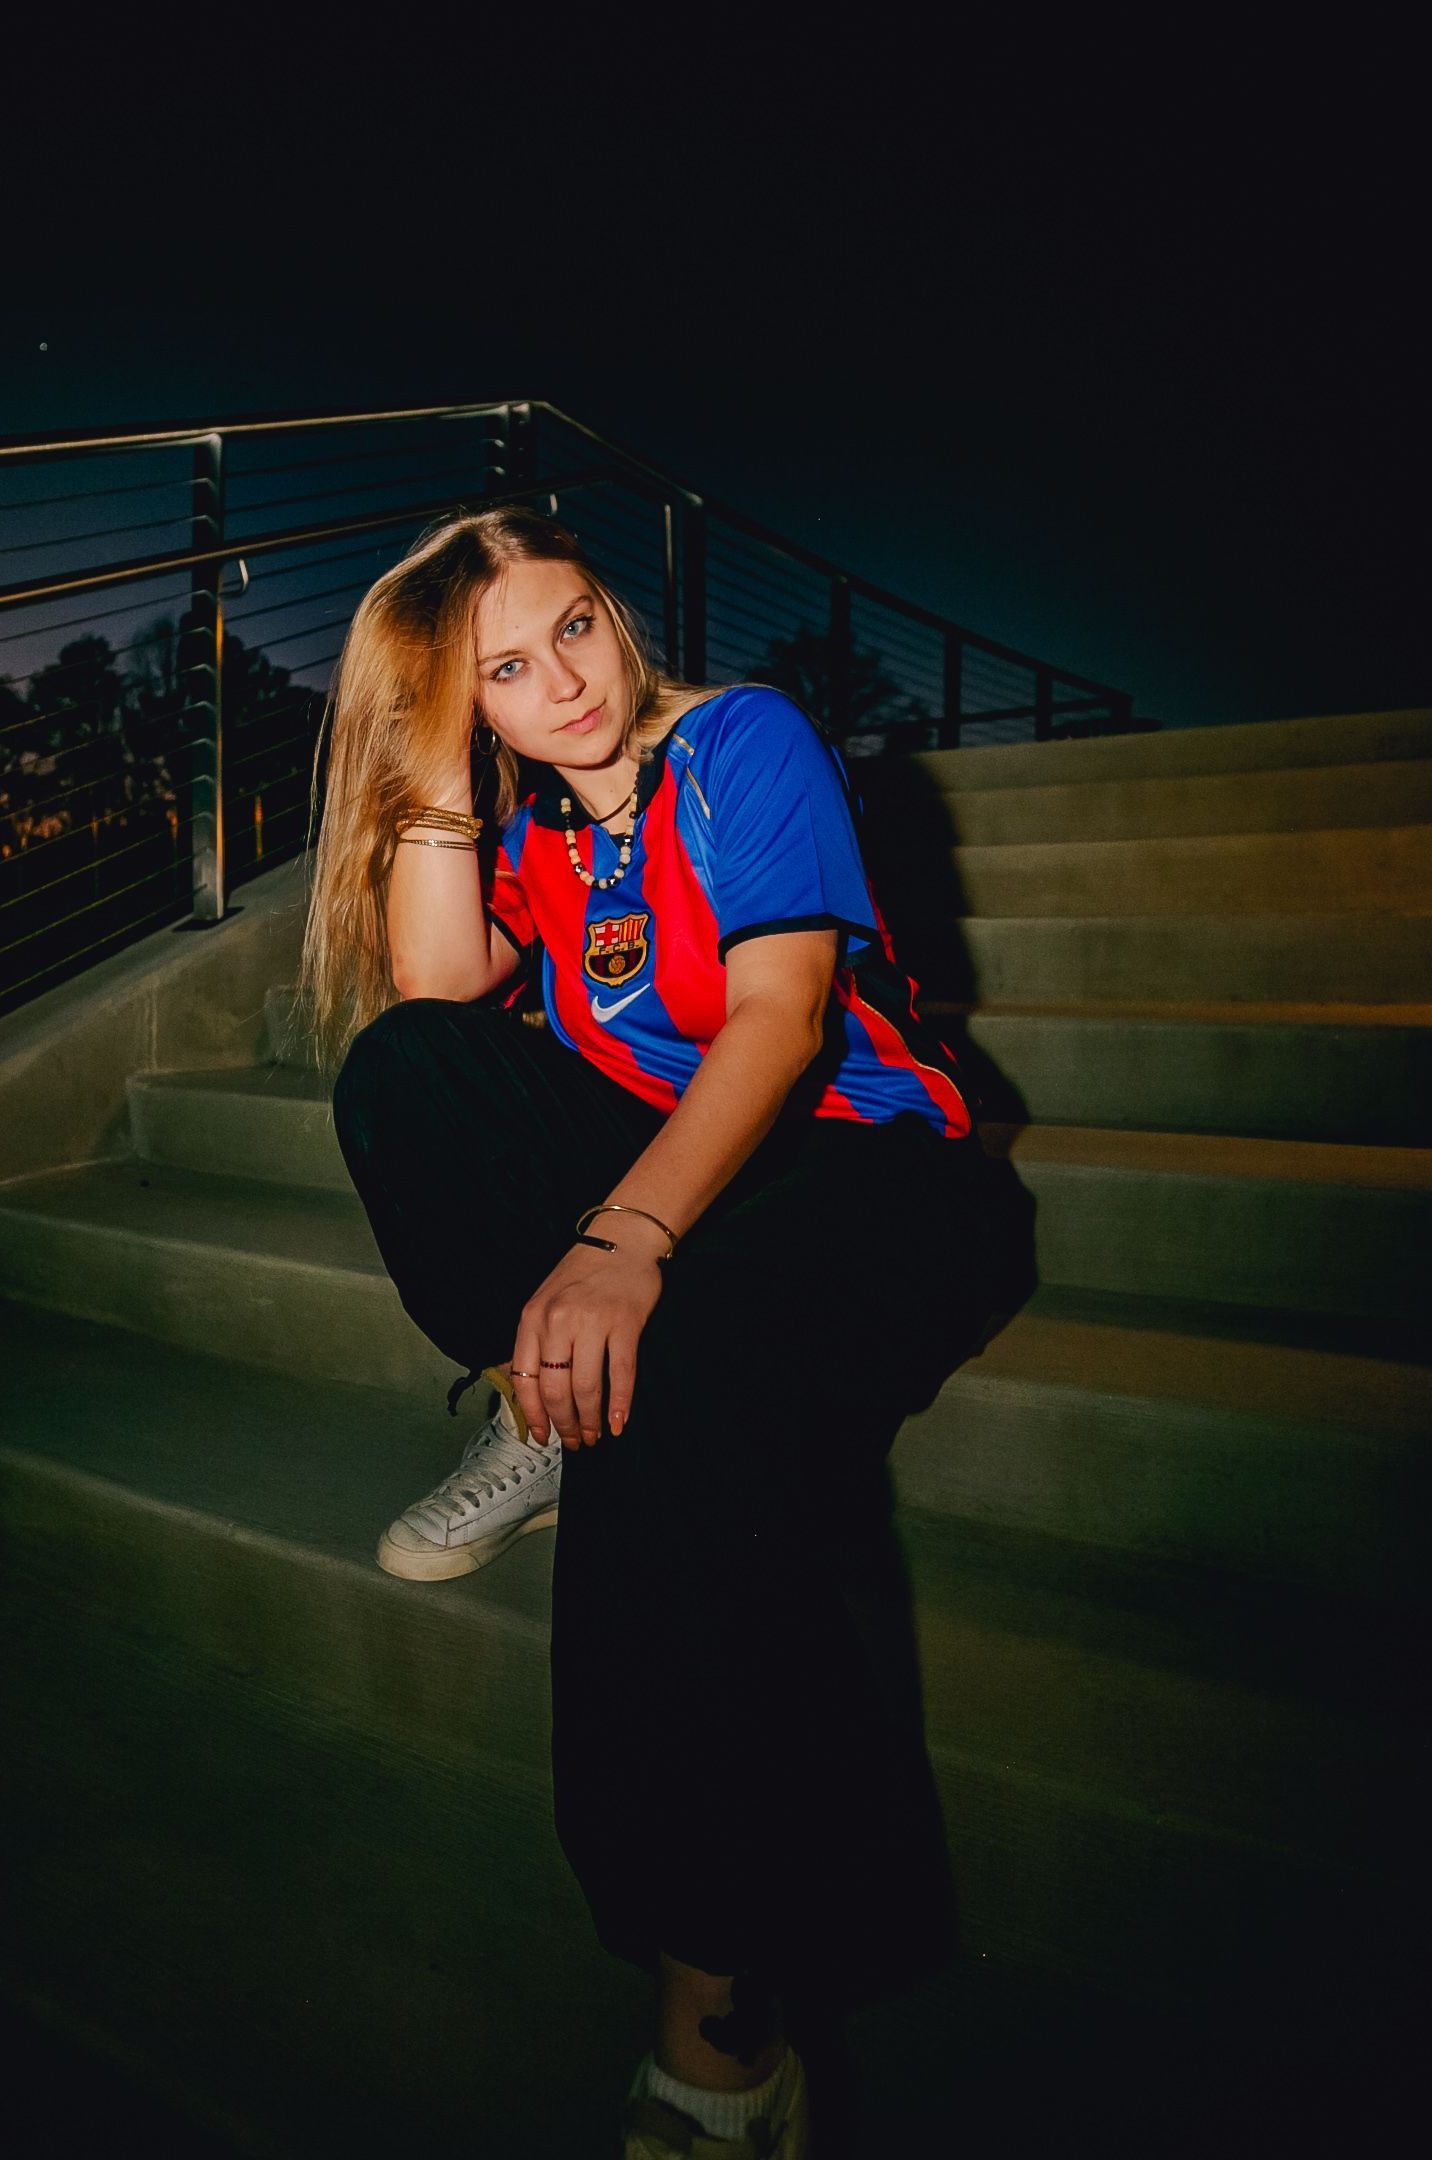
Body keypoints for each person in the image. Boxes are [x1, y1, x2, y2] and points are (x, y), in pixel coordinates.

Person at [301, 506, 1013, 2156]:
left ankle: (722, 2036)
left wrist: (624, 1244)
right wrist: (431, 761)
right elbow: (429, 986)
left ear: (619, 619)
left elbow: (783, 1013)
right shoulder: (539, 835)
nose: (562, 683)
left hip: (861, 1173)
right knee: (407, 1074)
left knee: (674, 1401)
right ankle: (542, 1398)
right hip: (670, 1176)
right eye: (503, 670)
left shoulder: (743, 743)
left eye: (573, 629)